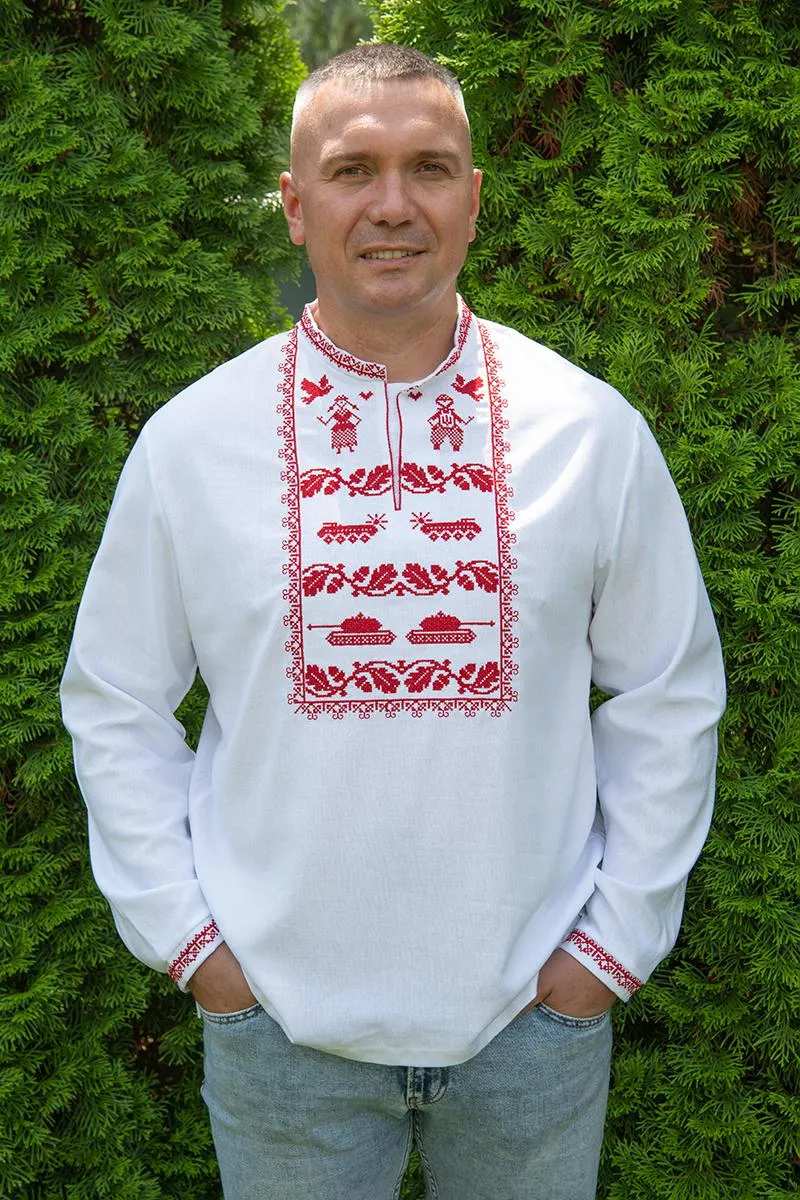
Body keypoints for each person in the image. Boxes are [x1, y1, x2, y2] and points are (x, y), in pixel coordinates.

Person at [60, 43, 726, 1200]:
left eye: (429, 167)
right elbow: (113, 699)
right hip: (278, 1036)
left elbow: (668, 691)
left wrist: (603, 954)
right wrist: (200, 951)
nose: (391, 205)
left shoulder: (587, 428)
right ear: (293, 204)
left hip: (532, 1029)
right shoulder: (190, 442)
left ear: (473, 197)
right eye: (350, 168)